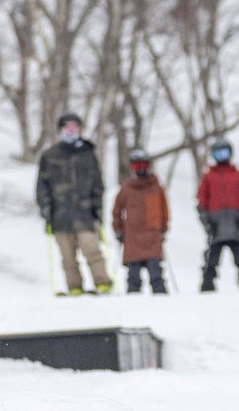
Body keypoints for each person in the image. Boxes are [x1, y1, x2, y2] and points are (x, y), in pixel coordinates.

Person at [36, 112, 112, 295]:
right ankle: (74, 287)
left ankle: (102, 283)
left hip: (85, 214)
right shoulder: (50, 155)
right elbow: (41, 186)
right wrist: (46, 209)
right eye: (67, 126)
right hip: (60, 216)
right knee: (68, 257)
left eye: (74, 126)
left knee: (92, 250)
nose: (71, 130)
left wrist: (98, 209)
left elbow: (98, 185)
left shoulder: (87, 154)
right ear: (61, 129)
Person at [196, 140, 239, 291]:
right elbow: (201, 201)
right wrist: (207, 223)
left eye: (225, 153)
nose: (222, 156)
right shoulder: (208, 177)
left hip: (235, 226)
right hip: (216, 227)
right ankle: (207, 286)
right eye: (218, 153)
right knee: (211, 259)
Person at [111, 147, 170, 294]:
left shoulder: (156, 188)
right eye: (137, 166)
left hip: (152, 237)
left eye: (143, 165)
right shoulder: (126, 188)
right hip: (132, 237)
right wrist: (118, 229)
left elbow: (164, 211)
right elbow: (117, 210)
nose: (141, 169)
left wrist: (163, 229)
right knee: (133, 278)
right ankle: (133, 305)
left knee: (156, 275)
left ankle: (164, 305)